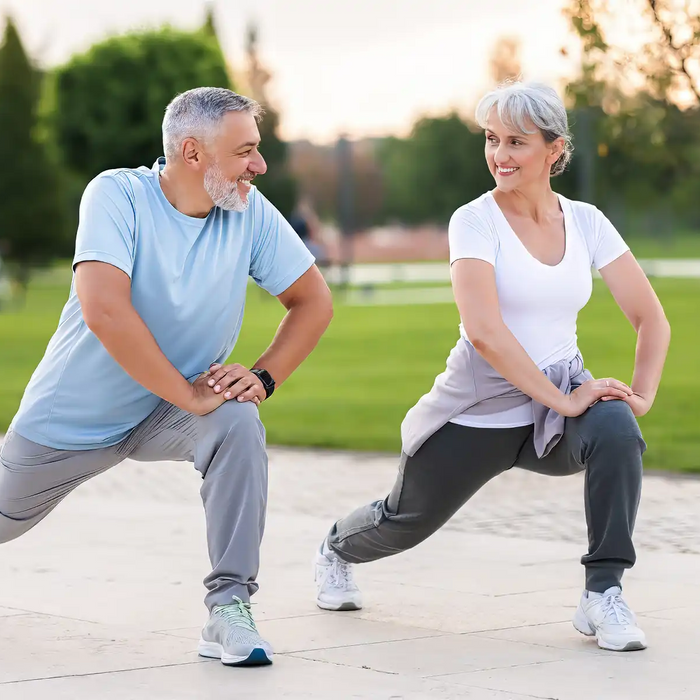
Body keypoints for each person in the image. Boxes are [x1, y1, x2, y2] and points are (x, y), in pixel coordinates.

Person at [313, 81, 670, 653]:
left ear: (554, 150)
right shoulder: (473, 221)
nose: (499, 155)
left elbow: (651, 319)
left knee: (618, 430)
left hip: (556, 404)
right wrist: (567, 401)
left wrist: (641, 397)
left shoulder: (587, 222)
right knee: (404, 521)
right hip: (479, 410)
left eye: (516, 142)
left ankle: (602, 593)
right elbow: (484, 332)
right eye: (491, 139)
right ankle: (335, 549)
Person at [0, 87, 333, 667]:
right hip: (74, 419)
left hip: (170, 414)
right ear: (192, 153)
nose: (259, 165)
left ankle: (229, 608)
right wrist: (186, 393)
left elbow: (312, 301)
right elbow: (105, 309)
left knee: (237, 421)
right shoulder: (117, 195)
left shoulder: (247, 210)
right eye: (245, 151)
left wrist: (262, 377)